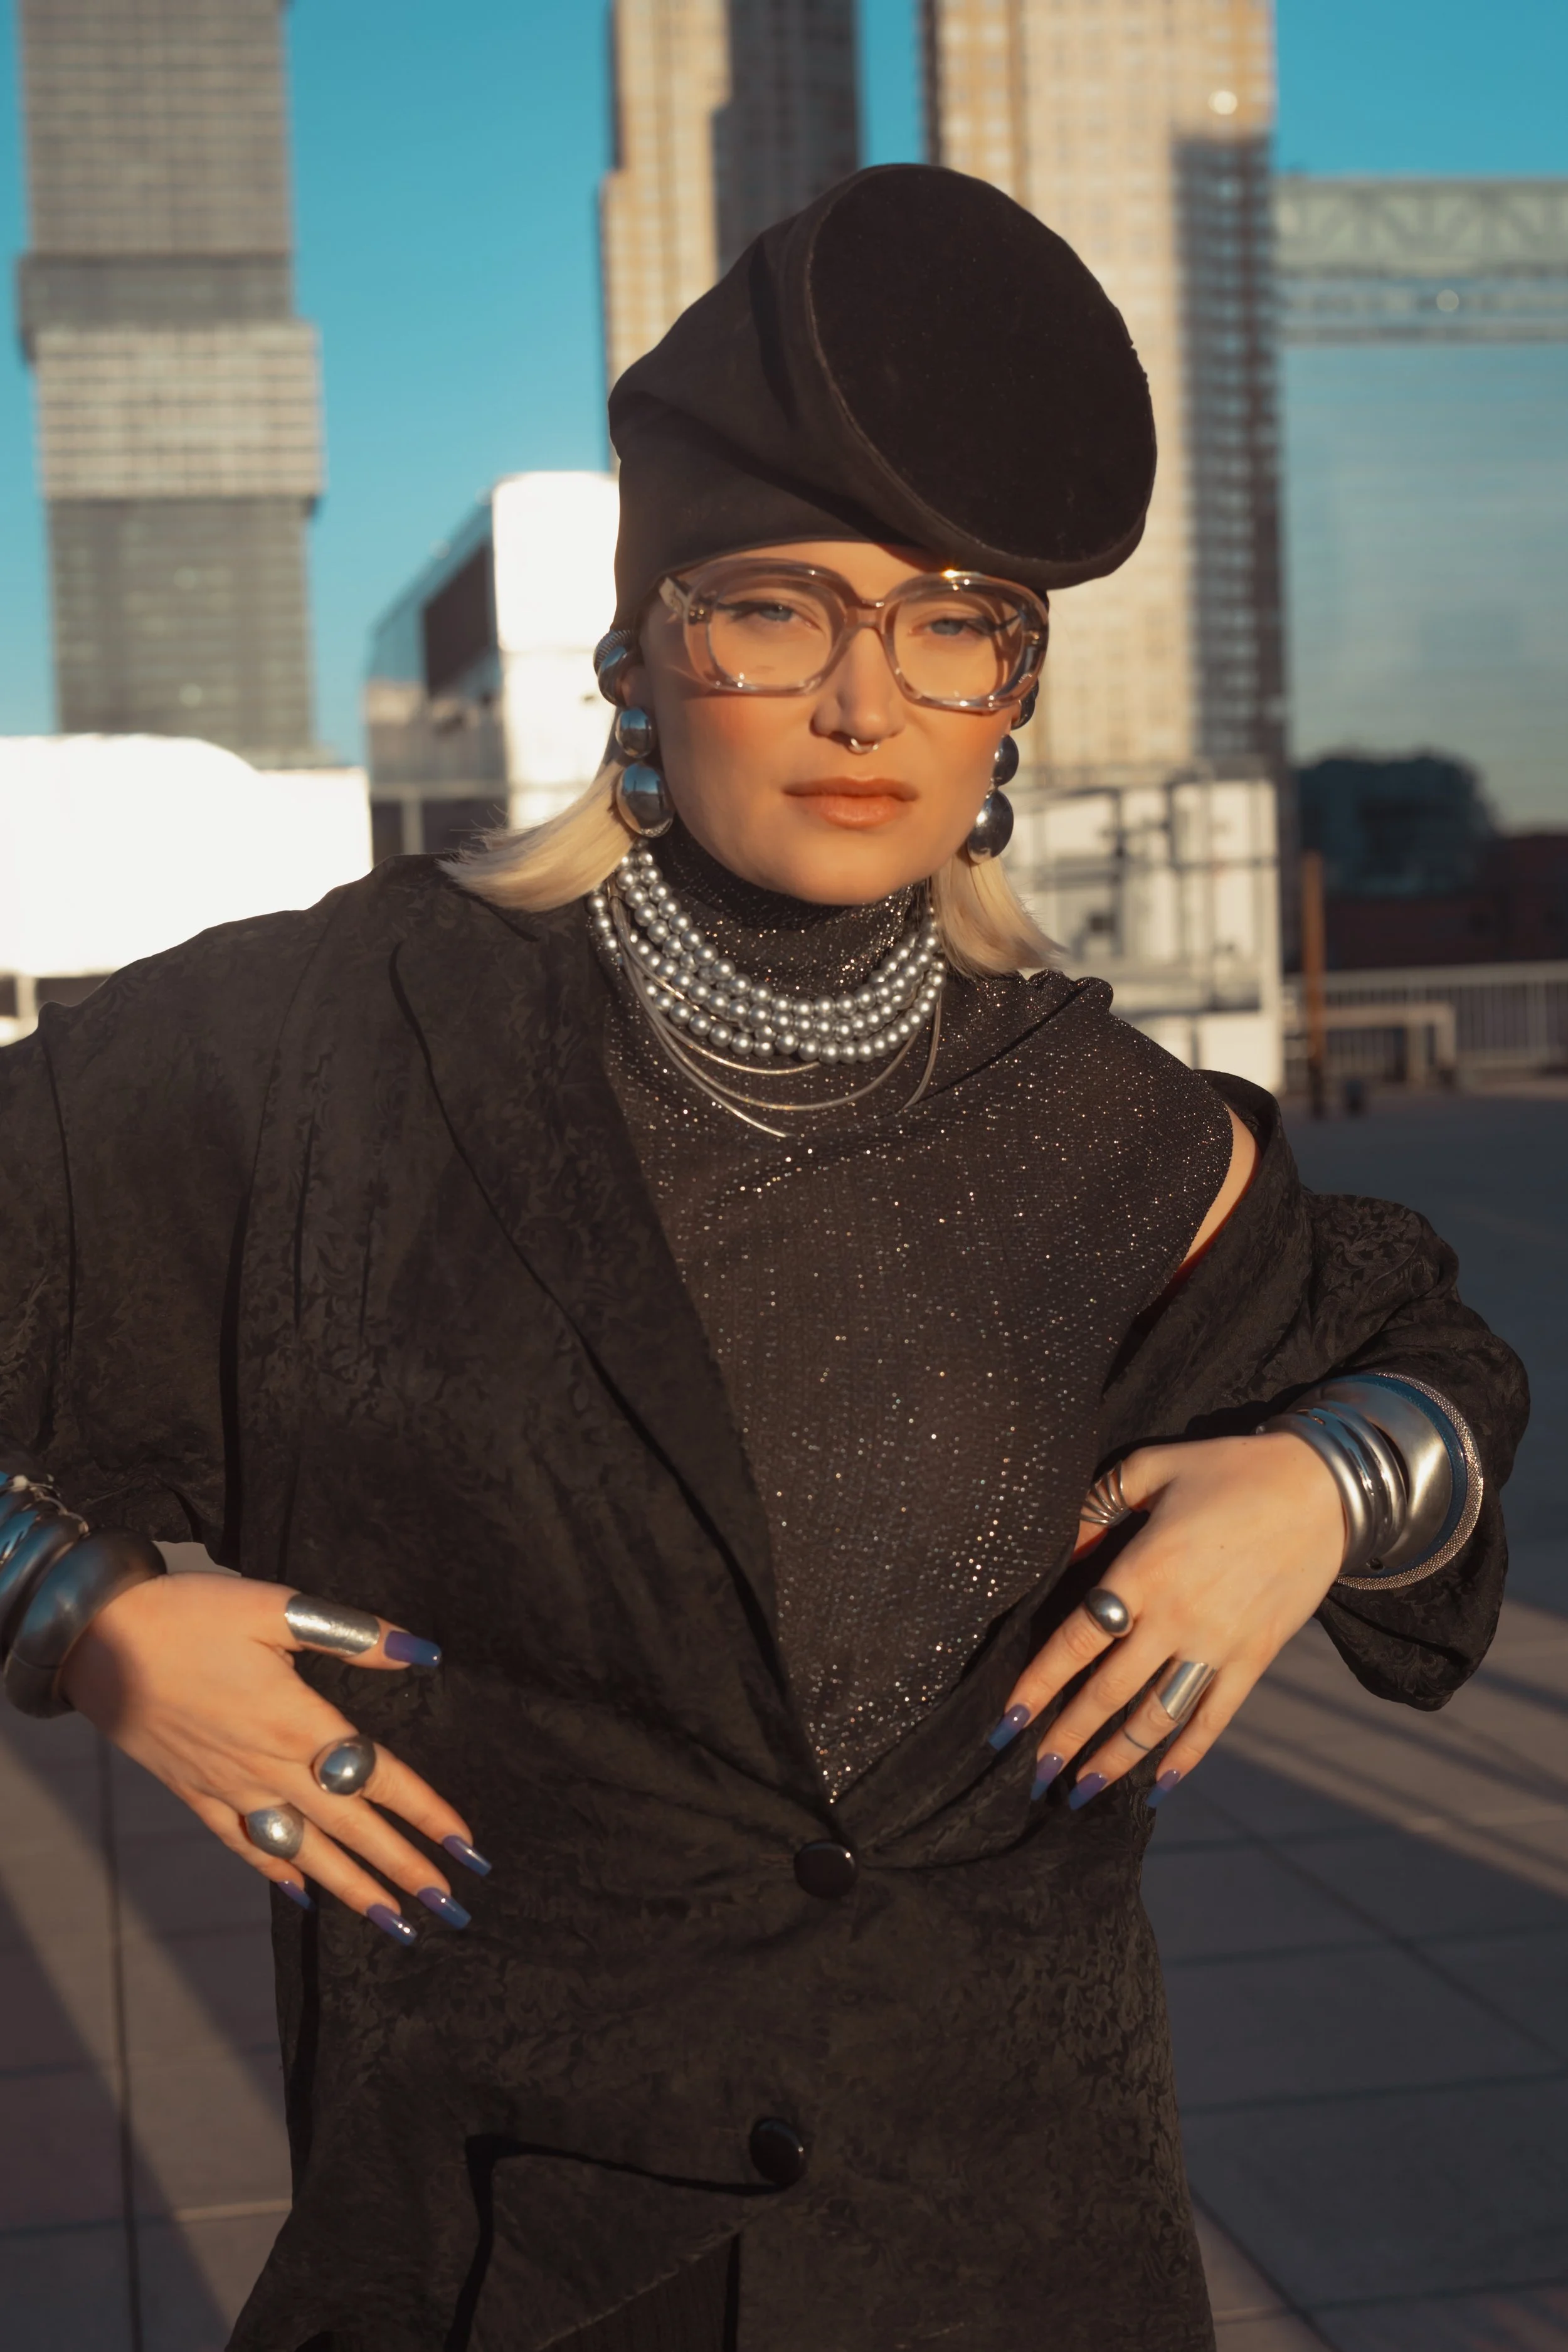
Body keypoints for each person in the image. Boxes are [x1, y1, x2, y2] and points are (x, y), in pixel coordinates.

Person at [0, 167, 1525, 2352]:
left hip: (1019, 2253)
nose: (861, 698)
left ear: (1010, 690)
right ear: (642, 644)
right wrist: (81, 1617)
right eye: (776, 609)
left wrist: (1314, 1487)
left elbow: (1436, 1355)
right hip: (503, 2263)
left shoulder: (1106, 1128)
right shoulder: (326, 1046)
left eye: (948, 622)